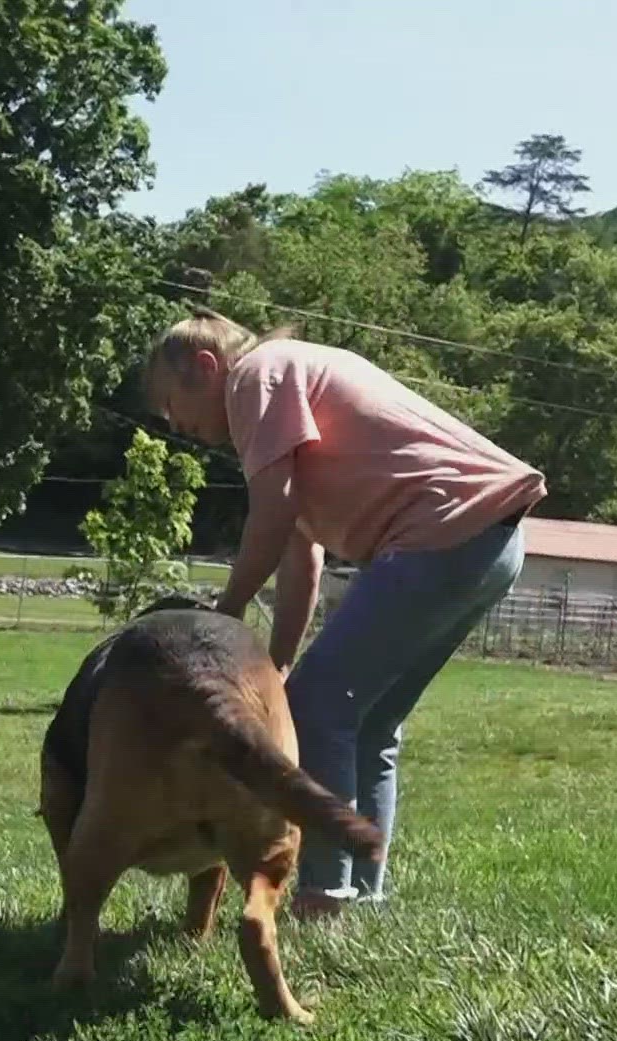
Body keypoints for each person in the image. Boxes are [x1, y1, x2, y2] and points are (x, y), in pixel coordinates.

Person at [141, 310, 546, 919]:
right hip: (491, 543)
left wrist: (224, 615)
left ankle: (324, 895)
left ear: (206, 366)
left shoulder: (258, 375)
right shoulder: (288, 401)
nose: (176, 425)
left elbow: (271, 516)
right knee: (370, 722)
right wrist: (274, 664)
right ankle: (359, 902)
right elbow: (299, 552)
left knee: (323, 706)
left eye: (173, 404)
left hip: (441, 532)